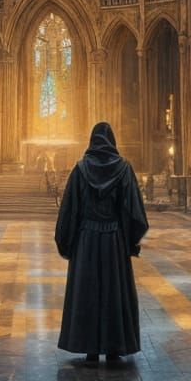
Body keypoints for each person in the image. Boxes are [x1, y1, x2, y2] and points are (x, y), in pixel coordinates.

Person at [55, 122, 149, 365]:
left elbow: (68, 211)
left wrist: (66, 242)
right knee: (113, 291)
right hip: (114, 240)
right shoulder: (124, 169)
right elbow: (134, 212)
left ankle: (91, 350)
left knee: (88, 291)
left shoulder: (80, 169)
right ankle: (114, 348)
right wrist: (130, 240)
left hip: (87, 239)